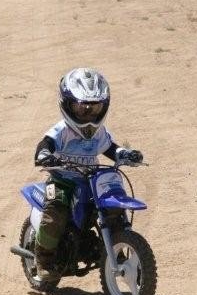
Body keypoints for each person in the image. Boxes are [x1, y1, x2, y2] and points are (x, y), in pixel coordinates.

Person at [33, 67, 143, 282]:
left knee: (113, 209)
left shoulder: (99, 132)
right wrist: (45, 155)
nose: (89, 114)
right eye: (82, 109)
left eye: (95, 109)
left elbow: (110, 148)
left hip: (91, 180)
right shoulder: (62, 130)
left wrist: (125, 154)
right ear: (67, 105)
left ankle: (116, 247)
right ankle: (43, 259)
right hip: (62, 179)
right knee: (55, 212)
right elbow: (44, 145)